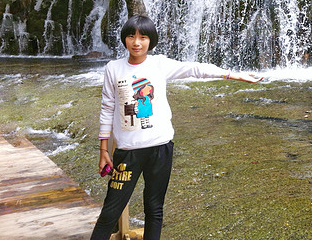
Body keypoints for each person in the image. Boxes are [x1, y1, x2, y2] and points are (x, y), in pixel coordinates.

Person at [91, 15, 262, 240]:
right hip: (127, 151)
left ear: (150, 41)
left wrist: (232, 75)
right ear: (124, 39)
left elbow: (195, 69)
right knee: (110, 212)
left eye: (143, 37)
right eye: (131, 36)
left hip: (160, 147)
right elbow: (106, 109)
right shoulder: (113, 69)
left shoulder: (159, 64)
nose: (136, 42)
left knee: (154, 208)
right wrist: (104, 150)